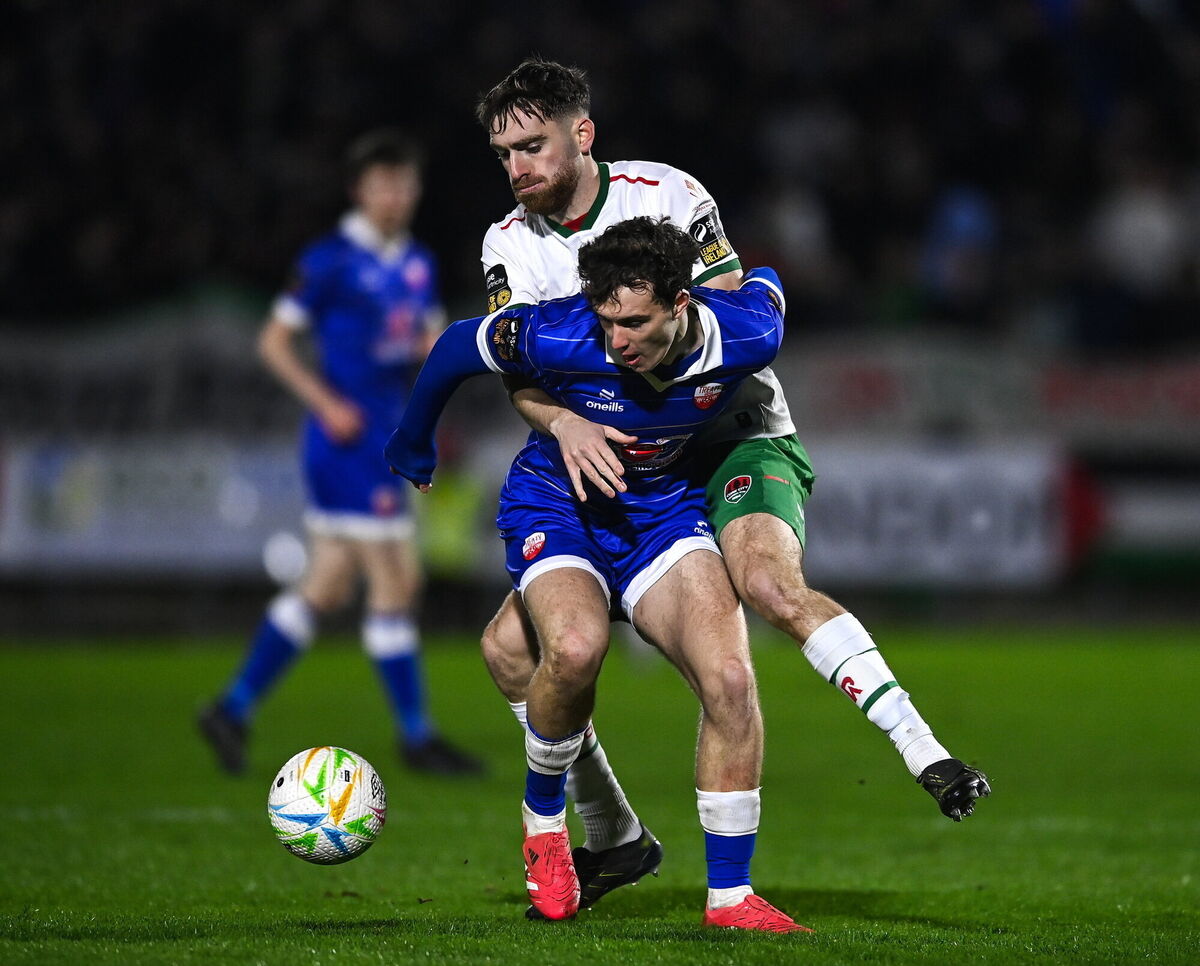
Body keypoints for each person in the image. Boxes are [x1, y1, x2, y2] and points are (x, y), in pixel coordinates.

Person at [471, 57, 989, 900]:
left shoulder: (669, 194)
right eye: (504, 154)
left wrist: (751, 323)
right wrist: (562, 419)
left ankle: (923, 752)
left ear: (582, 134)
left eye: (533, 146)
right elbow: (506, 366)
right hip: (625, 462)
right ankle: (613, 836)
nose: (518, 168)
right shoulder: (508, 244)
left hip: (733, 433)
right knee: (509, 652)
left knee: (768, 588)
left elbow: (736, 314)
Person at [388, 216, 808, 932]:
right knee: (575, 650)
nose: (617, 340)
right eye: (607, 320)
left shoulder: (745, 333)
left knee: (732, 680)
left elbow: (767, 292)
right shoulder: (557, 331)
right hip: (560, 502)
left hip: (664, 511)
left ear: (682, 305)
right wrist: (414, 441)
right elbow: (459, 345)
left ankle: (731, 899)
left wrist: (757, 279)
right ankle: (546, 832)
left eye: (635, 322)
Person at [198, 130, 482, 777]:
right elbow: (273, 342)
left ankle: (232, 707)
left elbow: (425, 338)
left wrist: (442, 352)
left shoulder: (416, 262)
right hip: (346, 443)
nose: (396, 196)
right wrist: (324, 403)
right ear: (359, 190)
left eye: (405, 184)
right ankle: (417, 736)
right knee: (397, 580)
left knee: (325, 585)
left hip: (385, 435)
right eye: (383, 184)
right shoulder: (328, 260)